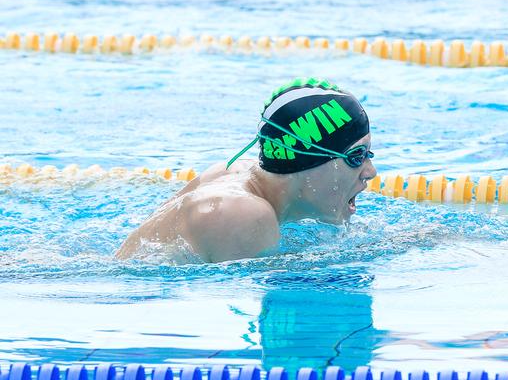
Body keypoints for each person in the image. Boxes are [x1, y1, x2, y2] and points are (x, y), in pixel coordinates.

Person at [116, 78, 377, 263]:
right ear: (308, 161)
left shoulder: (235, 174)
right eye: (357, 157)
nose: (371, 172)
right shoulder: (243, 213)